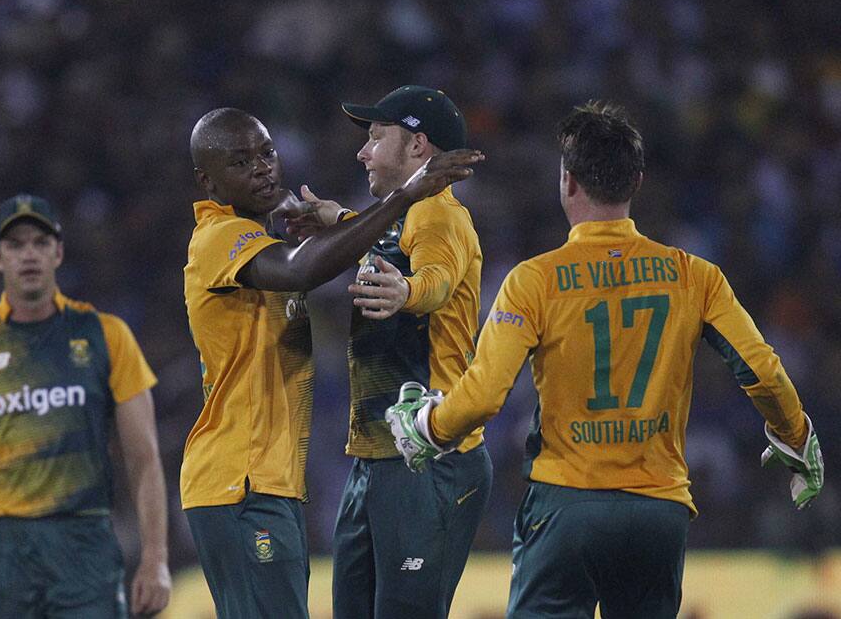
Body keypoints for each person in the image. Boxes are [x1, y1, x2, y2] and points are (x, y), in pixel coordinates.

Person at [385, 101, 824, 618]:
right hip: (658, 511)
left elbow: (482, 397)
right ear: (636, 181)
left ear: (567, 181)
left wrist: (429, 428)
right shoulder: (694, 275)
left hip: (567, 505)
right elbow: (763, 371)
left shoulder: (535, 280)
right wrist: (796, 436)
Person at [181, 107, 482, 619]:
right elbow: (307, 268)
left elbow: (366, 254)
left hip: (270, 484)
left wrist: (339, 218)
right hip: (239, 482)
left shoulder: (260, 242)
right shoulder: (219, 237)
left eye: (267, 153)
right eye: (240, 161)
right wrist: (404, 195)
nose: (262, 168)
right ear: (208, 180)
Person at [0, 194, 172, 619]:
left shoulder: (107, 336)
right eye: (15, 245)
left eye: (40, 242)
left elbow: (144, 459)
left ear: (58, 252)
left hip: (84, 539)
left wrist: (156, 559)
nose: (28, 254)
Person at [287, 85, 493, 618]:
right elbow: (385, 238)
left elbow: (437, 279)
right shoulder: (402, 216)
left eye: (377, 137)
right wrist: (336, 218)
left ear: (418, 147)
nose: (363, 151)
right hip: (379, 457)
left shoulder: (440, 216)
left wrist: (408, 292)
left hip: (428, 456)